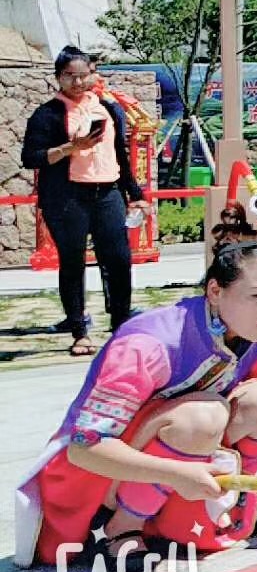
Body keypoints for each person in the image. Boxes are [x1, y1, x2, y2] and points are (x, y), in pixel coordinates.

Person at [14, 239, 257, 565]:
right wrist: (177, 474)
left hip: (184, 460)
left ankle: (230, 507)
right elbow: (85, 448)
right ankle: (123, 528)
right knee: (205, 415)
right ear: (215, 291)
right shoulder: (149, 345)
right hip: (99, 475)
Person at [22, 47, 149, 357]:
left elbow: (120, 156)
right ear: (58, 78)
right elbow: (31, 157)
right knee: (73, 261)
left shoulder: (108, 109)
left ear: (92, 75)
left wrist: (136, 195)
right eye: (70, 76)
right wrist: (71, 147)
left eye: (83, 76)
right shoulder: (48, 114)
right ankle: (79, 329)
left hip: (107, 192)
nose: (77, 83)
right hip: (67, 196)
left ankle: (120, 324)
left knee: (118, 259)